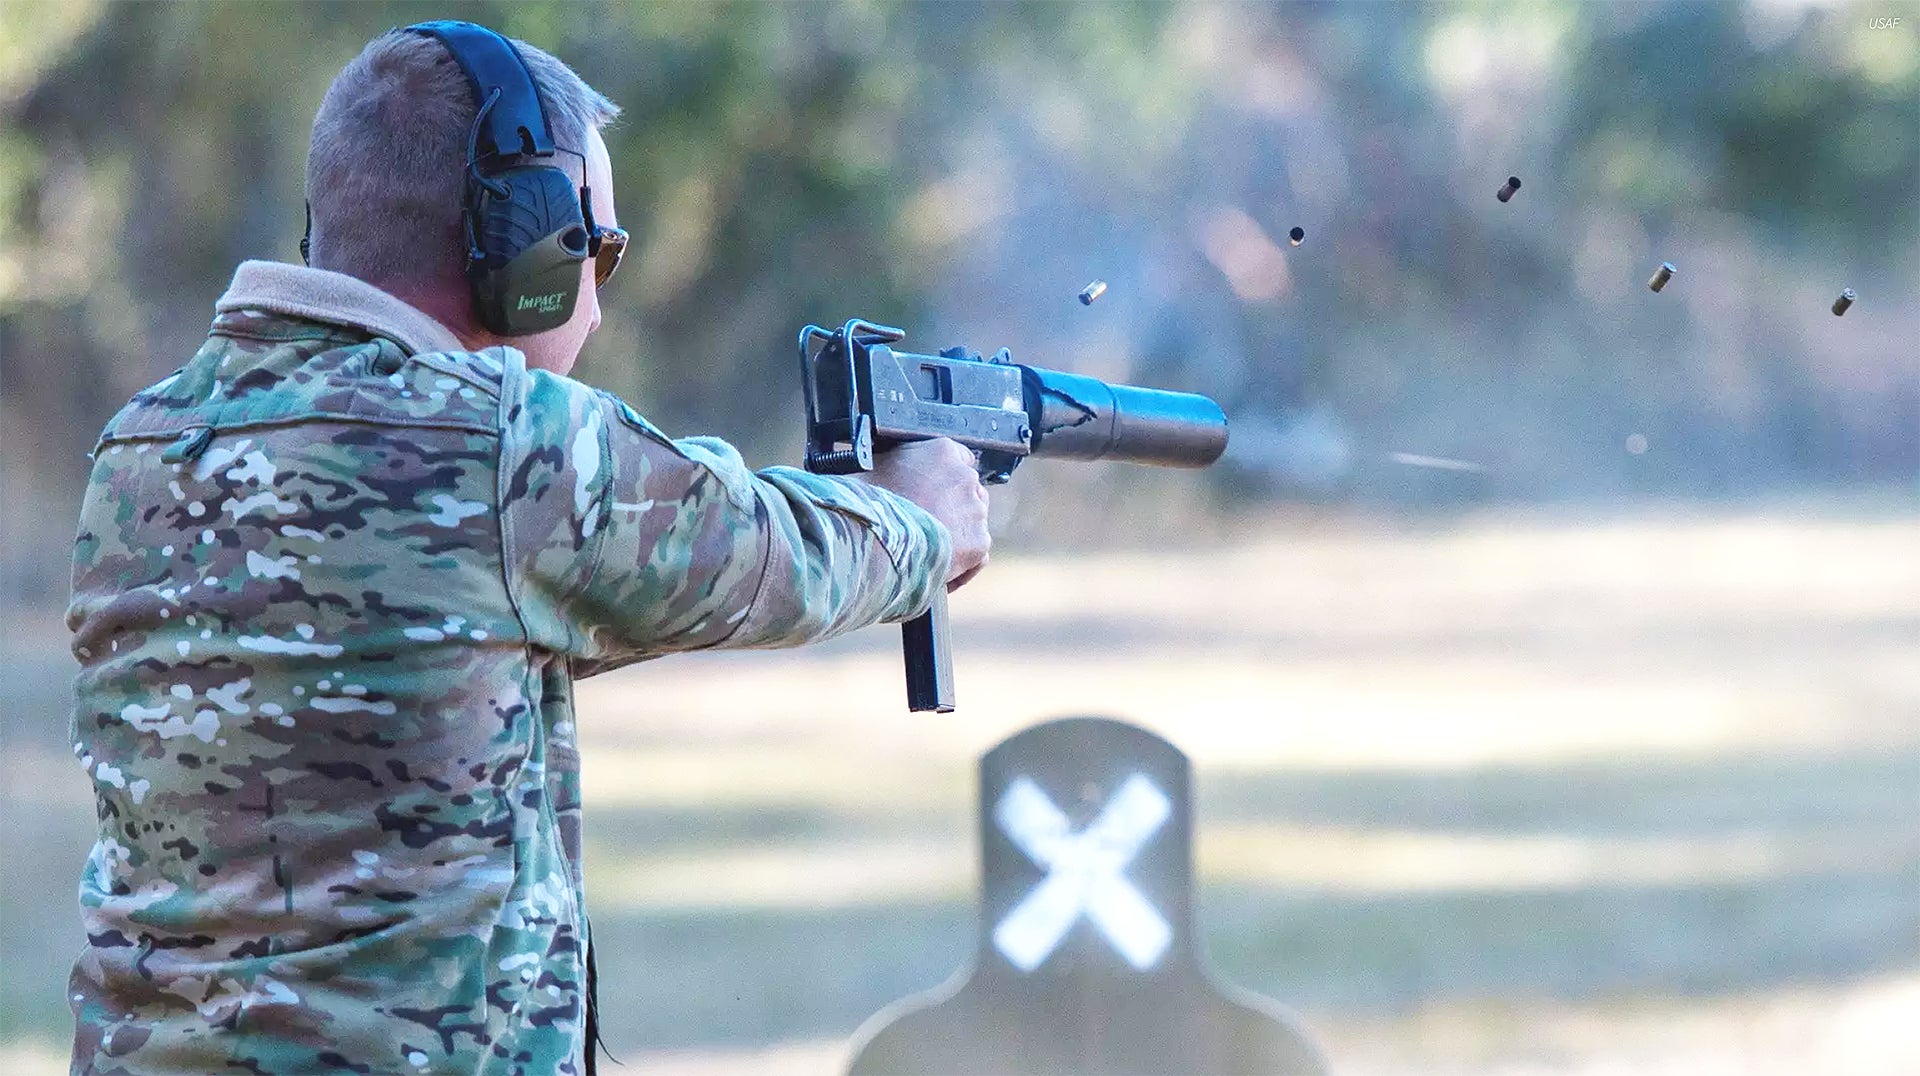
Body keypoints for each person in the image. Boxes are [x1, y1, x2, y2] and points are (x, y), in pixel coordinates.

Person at [65, 21, 989, 1076]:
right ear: (522, 247)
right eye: (598, 249)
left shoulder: (144, 447)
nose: (597, 295)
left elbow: (464, 625)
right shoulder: (498, 440)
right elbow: (773, 558)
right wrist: (922, 518)